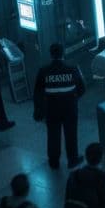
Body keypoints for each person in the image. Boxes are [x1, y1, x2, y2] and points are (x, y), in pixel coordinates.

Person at [33, 42, 85, 170]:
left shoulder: (43, 71)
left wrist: (39, 109)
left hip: (51, 110)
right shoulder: (73, 69)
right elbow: (82, 89)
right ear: (64, 53)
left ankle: (53, 161)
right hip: (70, 109)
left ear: (51, 55)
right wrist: (72, 98)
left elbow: (37, 93)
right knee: (71, 134)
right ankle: (72, 160)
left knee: (53, 135)